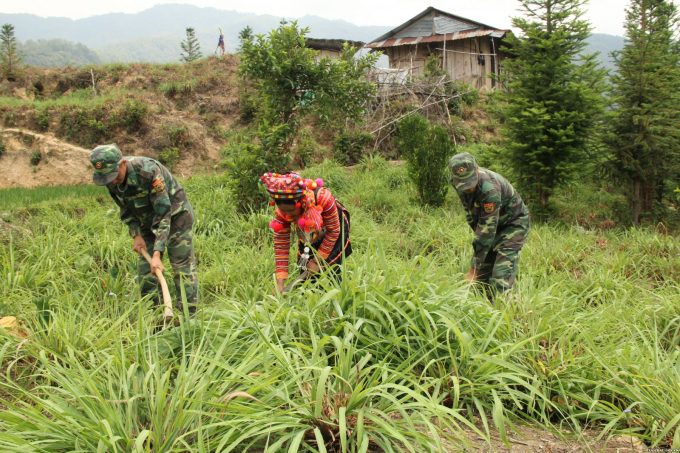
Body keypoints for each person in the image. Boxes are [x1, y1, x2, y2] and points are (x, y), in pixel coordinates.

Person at [89, 144, 199, 312]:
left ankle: (189, 317)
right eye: (106, 177)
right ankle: (155, 315)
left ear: (123, 163)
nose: (112, 181)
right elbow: (125, 208)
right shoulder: (111, 180)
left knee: (181, 266)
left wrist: (157, 253)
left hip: (176, 217)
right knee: (146, 271)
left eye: (113, 175)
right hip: (145, 220)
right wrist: (136, 235)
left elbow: (163, 214)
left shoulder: (148, 171)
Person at [448, 153, 530, 298]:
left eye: (470, 182)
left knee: (500, 276)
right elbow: (473, 215)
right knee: (482, 280)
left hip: (513, 224)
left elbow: (486, 231)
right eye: (463, 184)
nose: (467, 188)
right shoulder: (458, 183)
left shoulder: (490, 189)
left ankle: (510, 314)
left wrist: (473, 269)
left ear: (477, 170)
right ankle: (486, 314)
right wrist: (479, 265)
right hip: (491, 225)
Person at [260, 172, 352, 293]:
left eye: (291, 211)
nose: (288, 215)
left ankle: (335, 299)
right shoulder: (283, 213)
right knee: (305, 267)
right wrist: (280, 283)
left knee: (330, 267)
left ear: (301, 203)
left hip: (334, 227)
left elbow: (334, 231)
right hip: (308, 233)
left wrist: (318, 260)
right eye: (284, 212)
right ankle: (308, 298)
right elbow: (281, 245)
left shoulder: (324, 198)